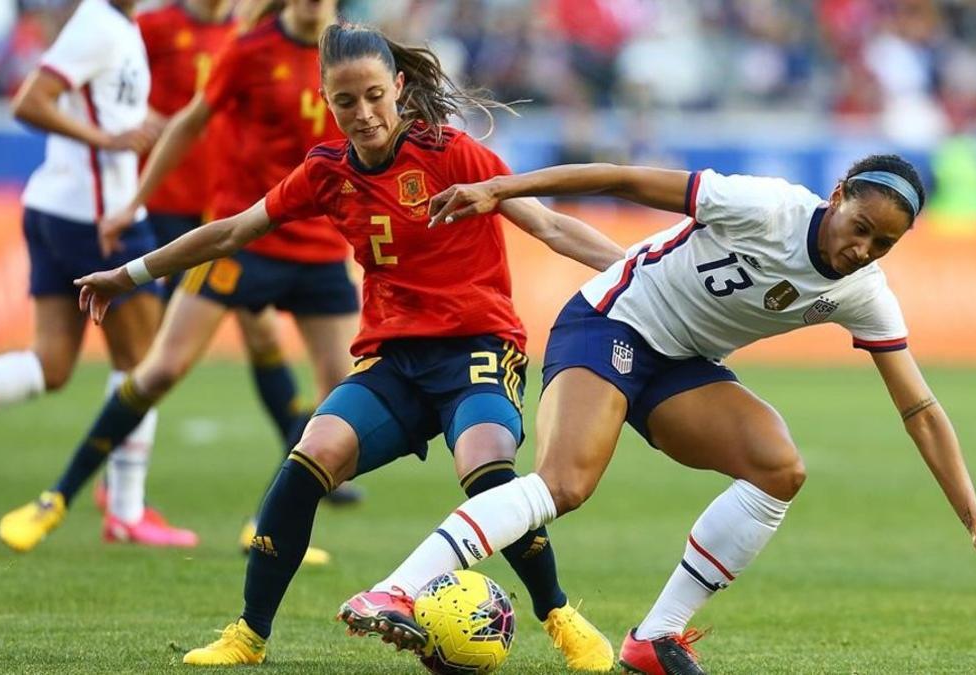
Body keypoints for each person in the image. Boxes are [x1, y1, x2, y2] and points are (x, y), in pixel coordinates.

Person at [345, 155, 976, 675]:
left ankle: (654, 637)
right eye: (860, 227)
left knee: (779, 468)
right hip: (610, 320)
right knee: (565, 485)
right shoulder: (765, 206)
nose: (861, 249)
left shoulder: (864, 290)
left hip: (680, 365)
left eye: (882, 244)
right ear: (836, 195)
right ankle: (395, 587)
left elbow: (920, 408)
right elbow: (623, 179)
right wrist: (502, 187)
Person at [72, 22, 627, 671]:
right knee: (312, 453)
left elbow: (551, 224)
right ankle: (248, 636)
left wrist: (645, 270)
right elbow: (229, 232)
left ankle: (559, 614)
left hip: (478, 348)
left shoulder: (453, 155)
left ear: (396, 88)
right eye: (345, 101)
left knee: (484, 466)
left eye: (372, 96)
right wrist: (130, 272)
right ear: (328, 101)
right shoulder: (326, 173)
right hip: (395, 360)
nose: (362, 114)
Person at [0, 0, 364, 557]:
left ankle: (264, 524)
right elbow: (190, 124)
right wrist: (134, 203)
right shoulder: (249, 50)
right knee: (161, 368)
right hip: (241, 235)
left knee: (341, 400)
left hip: (319, 246)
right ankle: (56, 498)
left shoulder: (356, 54)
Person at [0, 0, 198, 547]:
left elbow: (93, 108)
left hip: (57, 207)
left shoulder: (116, 25)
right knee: (144, 361)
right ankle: (126, 509)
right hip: (100, 218)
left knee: (53, 363)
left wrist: (131, 129)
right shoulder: (98, 23)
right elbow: (30, 102)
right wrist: (107, 141)